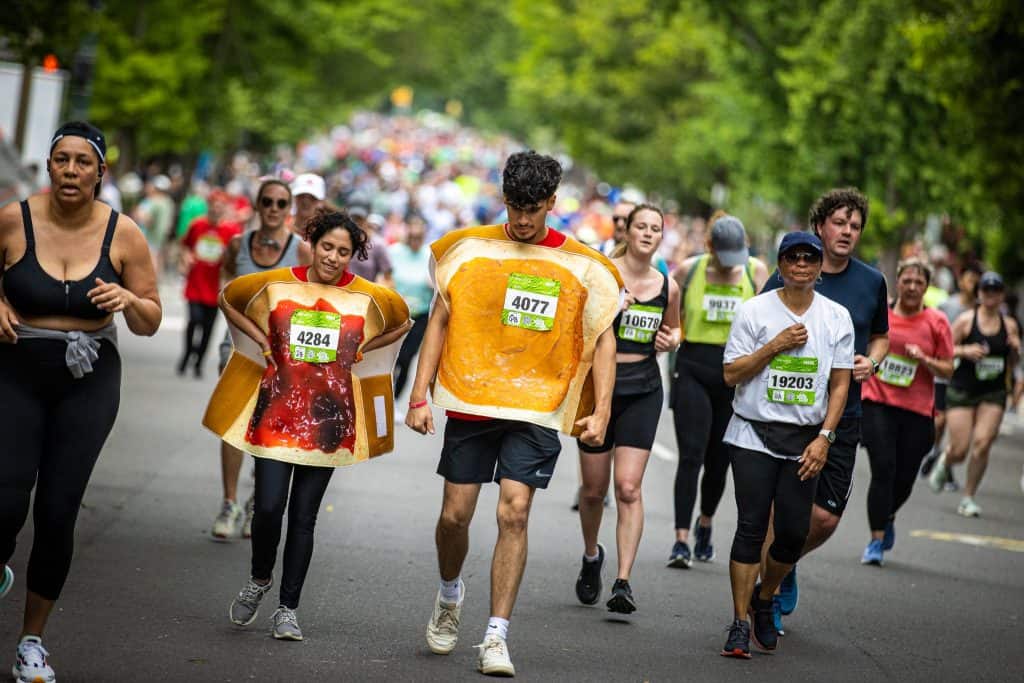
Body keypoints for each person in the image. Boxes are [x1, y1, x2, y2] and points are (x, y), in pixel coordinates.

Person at [405, 151, 621, 677]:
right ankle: (450, 594)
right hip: (473, 400)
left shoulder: (582, 265)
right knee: (455, 516)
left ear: (552, 203)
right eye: (515, 207)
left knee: (513, 512)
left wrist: (603, 411)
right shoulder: (470, 249)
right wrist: (418, 394)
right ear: (504, 199)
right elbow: (438, 320)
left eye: (534, 209)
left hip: (537, 408)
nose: (523, 220)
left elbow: (602, 336)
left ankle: (496, 635)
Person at [0, 121, 162, 683]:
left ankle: (31, 643)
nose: (71, 171)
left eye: (82, 163)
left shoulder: (125, 235)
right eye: (61, 160)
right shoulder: (12, 219)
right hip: (15, 371)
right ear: (49, 166)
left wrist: (127, 298)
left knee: (57, 510)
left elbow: (150, 319)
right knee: (5, 498)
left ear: (100, 172)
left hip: (88, 380)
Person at [222, 208, 409, 640]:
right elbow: (229, 299)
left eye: (344, 251)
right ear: (312, 242)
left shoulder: (365, 296)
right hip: (276, 414)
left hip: (329, 422)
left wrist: (364, 346)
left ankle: (288, 609)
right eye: (327, 247)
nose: (333, 257)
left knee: (304, 517)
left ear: (353, 255)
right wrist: (261, 341)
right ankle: (260, 579)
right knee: (268, 507)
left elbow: (403, 322)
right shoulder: (279, 282)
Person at [720, 232, 853, 658]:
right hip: (753, 433)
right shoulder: (754, 311)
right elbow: (731, 374)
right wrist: (775, 345)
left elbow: (840, 384)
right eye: (792, 258)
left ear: (819, 267)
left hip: (805, 440)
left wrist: (825, 437)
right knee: (751, 526)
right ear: (780, 264)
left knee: (793, 534)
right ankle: (740, 622)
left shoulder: (836, 317)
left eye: (809, 258)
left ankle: (765, 596)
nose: (801, 264)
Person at [761, 188, 888, 628]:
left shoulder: (871, 282)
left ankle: (785, 560)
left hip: (844, 410)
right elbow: (759, 327)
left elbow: (881, 335)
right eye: (840, 223)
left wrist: (871, 360)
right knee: (782, 509)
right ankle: (769, 594)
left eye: (855, 226)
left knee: (826, 517)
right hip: (789, 409)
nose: (847, 232)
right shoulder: (788, 273)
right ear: (820, 225)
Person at [574, 204, 680, 614]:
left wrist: (673, 341)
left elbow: (675, 327)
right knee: (594, 490)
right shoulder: (603, 272)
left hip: (643, 389)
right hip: (599, 390)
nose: (648, 233)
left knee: (629, 488)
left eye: (656, 228)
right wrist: (611, 308)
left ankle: (623, 580)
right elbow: (576, 325)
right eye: (642, 226)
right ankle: (590, 556)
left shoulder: (667, 285)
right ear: (628, 230)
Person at [210, 179, 312, 541]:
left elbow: (313, 295)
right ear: (257, 204)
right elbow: (225, 281)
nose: (273, 208)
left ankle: (256, 500)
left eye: (281, 203)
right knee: (232, 423)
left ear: (289, 210)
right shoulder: (239, 244)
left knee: (267, 427)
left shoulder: (300, 250)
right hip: (237, 346)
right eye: (267, 201)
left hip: (281, 353)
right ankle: (229, 502)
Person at [668, 213, 768, 568]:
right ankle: (680, 538)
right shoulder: (688, 271)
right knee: (691, 455)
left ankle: (705, 523)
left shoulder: (756, 272)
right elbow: (668, 311)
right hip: (694, 366)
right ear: (709, 247)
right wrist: (671, 334)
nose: (730, 265)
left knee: (718, 460)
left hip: (735, 374)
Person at [860, 258, 953, 565]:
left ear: (926, 287)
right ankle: (875, 541)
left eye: (919, 283)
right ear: (897, 282)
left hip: (916, 411)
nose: (912, 287)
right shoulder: (881, 313)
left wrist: (925, 360)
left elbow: (949, 369)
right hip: (877, 402)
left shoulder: (937, 322)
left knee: (904, 478)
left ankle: (887, 516)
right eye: (907, 281)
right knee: (883, 469)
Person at [929, 271, 1020, 516]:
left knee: (982, 444)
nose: (991, 295)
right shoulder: (966, 321)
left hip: (994, 392)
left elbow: (1015, 361)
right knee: (960, 448)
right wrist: (965, 350)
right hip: (963, 389)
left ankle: (968, 496)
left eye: (995, 291)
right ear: (979, 294)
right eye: (986, 290)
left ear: (1001, 295)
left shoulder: (1009, 324)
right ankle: (946, 460)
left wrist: (1015, 348)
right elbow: (943, 350)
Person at [921, 263, 981, 487]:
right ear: (961, 281)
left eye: (976, 280)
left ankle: (945, 465)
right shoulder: (948, 305)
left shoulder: (981, 310)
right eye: (969, 279)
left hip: (967, 377)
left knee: (959, 430)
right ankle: (935, 451)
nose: (972, 284)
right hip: (943, 374)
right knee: (939, 422)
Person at [177, 189, 240, 377]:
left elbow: (236, 257)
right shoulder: (197, 225)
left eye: (220, 207)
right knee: (194, 320)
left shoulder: (232, 231)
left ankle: (198, 362)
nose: (216, 210)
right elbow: (185, 246)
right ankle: (187, 353)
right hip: (196, 282)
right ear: (209, 206)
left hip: (216, 286)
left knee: (208, 327)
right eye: (214, 206)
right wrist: (185, 258)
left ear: (224, 209)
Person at [388, 214, 432, 401]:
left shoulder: (430, 255)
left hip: (419, 315)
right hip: (395, 315)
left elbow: (439, 282)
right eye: (411, 236)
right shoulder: (394, 251)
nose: (415, 240)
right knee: (391, 359)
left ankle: (396, 399)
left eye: (418, 237)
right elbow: (385, 277)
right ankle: (384, 397)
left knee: (406, 358)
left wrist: (433, 282)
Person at [290, 173, 326, 239]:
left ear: (320, 202)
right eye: (301, 195)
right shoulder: (281, 224)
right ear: (294, 197)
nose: (306, 201)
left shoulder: (324, 235)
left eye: (312, 197)